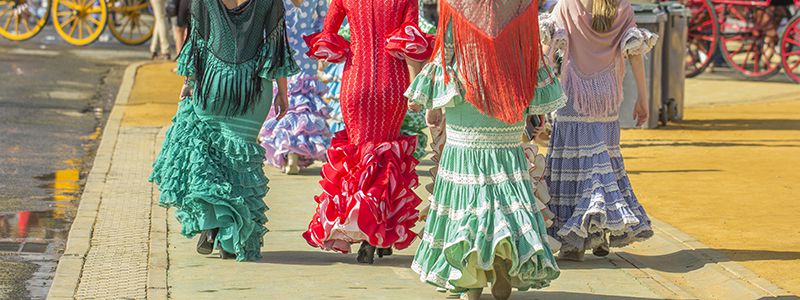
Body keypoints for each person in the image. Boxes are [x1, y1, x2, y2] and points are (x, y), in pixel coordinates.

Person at [406, 0, 564, 298]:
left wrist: (433, 101)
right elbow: (528, 52)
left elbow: (447, 51)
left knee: (470, 191)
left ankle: (472, 277)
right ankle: (503, 263)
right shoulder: (522, 3)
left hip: (467, 98)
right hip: (509, 98)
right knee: (504, 187)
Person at [148, 0, 299, 261]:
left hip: (213, 84)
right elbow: (275, 46)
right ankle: (231, 240)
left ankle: (211, 225)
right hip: (253, 89)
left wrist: (189, 82)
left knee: (208, 157)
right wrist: (282, 93)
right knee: (240, 167)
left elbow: (196, 43)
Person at [302, 0, 434, 264]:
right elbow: (410, 42)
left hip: (356, 80)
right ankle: (379, 234)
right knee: (387, 157)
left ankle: (366, 232)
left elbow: (328, 34)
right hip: (393, 83)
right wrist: (416, 85)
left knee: (360, 158)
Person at [540, 0, 658, 262]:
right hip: (607, 96)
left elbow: (548, 52)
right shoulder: (622, 8)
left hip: (574, 95)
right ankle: (600, 229)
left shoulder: (567, 5)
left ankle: (573, 241)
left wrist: (538, 95)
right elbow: (635, 53)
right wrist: (643, 98)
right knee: (602, 161)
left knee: (573, 166)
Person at [259, 0, 331, 175]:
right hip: (308, 49)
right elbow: (325, 20)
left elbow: (266, 24)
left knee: (286, 98)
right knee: (303, 101)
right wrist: (320, 47)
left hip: (283, 49)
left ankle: (289, 152)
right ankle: (295, 153)